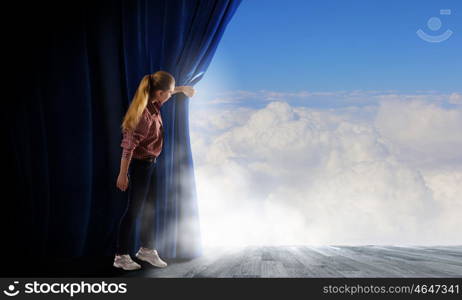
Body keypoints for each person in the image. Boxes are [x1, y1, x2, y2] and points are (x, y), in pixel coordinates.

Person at [114, 71, 196, 271]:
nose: (169, 95)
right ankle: (121, 256)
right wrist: (122, 174)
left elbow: (167, 93)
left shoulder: (154, 103)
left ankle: (147, 250)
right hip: (140, 166)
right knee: (133, 211)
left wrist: (181, 89)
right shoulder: (143, 115)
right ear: (159, 93)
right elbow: (128, 147)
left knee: (150, 208)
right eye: (168, 93)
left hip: (151, 164)